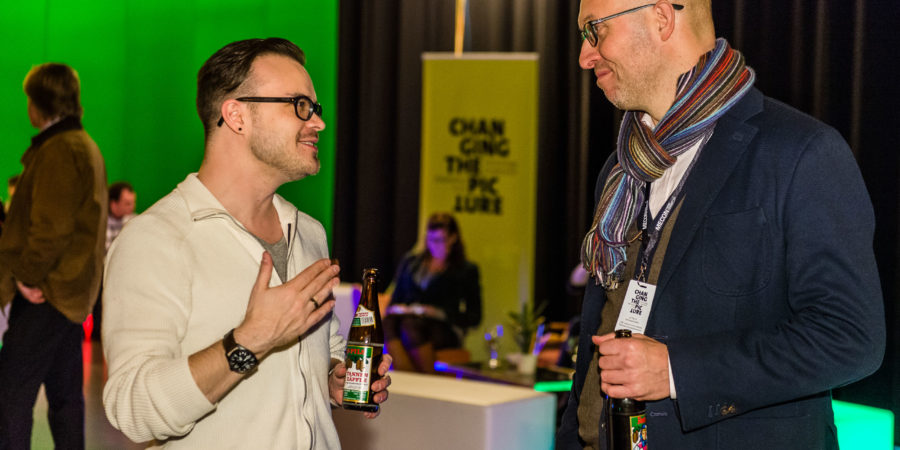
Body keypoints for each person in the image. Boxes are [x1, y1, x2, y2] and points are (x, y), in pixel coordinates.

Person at [557, 1, 885, 448]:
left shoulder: (800, 153)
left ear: (661, 18)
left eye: (594, 30)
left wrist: (675, 371)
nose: (585, 56)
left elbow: (850, 338)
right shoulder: (621, 170)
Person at [102, 38, 391, 447]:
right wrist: (249, 341)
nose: (318, 123)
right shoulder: (156, 240)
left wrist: (331, 378)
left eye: (316, 108)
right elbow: (134, 411)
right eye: (300, 105)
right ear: (236, 116)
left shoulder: (308, 231)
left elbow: (322, 348)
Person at [0, 63, 107, 449]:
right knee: (65, 400)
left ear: (38, 103)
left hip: (46, 294)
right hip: (69, 294)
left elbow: (50, 229)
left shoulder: (60, 149)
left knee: (10, 395)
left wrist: (26, 277)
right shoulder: (82, 144)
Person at [383, 212, 482, 372]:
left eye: (440, 240)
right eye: (430, 239)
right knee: (389, 323)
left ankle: (424, 379)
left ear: (453, 238)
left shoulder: (466, 270)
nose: (434, 245)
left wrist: (437, 312)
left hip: (444, 328)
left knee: (411, 325)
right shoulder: (411, 263)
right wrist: (403, 309)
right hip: (407, 321)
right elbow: (395, 301)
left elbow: (474, 317)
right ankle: (410, 380)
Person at [106, 181, 137, 252]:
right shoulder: (103, 225)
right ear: (113, 205)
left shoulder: (134, 220)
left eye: (134, 202)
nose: (132, 207)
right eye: (127, 204)